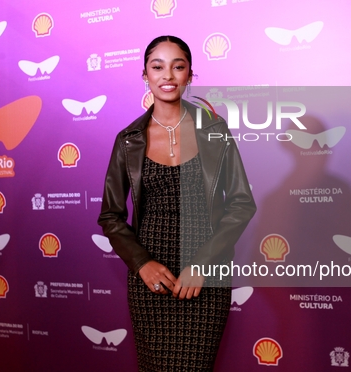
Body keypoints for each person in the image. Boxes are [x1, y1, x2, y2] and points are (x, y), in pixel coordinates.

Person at [98, 35, 256, 371]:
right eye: (158, 66)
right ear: (145, 75)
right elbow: (110, 216)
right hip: (152, 278)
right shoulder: (129, 140)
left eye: (177, 66)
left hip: (205, 274)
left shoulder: (215, 129)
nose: (167, 75)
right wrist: (142, 264)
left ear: (189, 75)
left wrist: (203, 264)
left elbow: (242, 203)